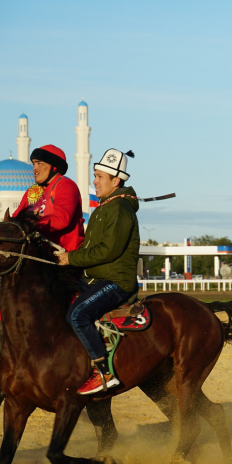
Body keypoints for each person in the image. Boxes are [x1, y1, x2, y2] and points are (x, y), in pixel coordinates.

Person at [56, 149, 140, 395]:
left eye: (99, 176)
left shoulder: (119, 209)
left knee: (77, 315)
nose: (94, 181)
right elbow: (91, 248)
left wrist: (72, 258)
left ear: (115, 181)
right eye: (94, 175)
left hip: (115, 282)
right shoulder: (105, 207)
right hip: (95, 278)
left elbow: (108, 251)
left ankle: (103, 373)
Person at [13, 145, 85, 252]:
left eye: (39, 164)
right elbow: (15, 218)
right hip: (38, 255)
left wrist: (33, 223)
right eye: (33, 164)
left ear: (54, 167)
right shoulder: (32, 191)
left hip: (65, 256)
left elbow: (61, 218)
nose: (34, 169)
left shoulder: (66, 185)